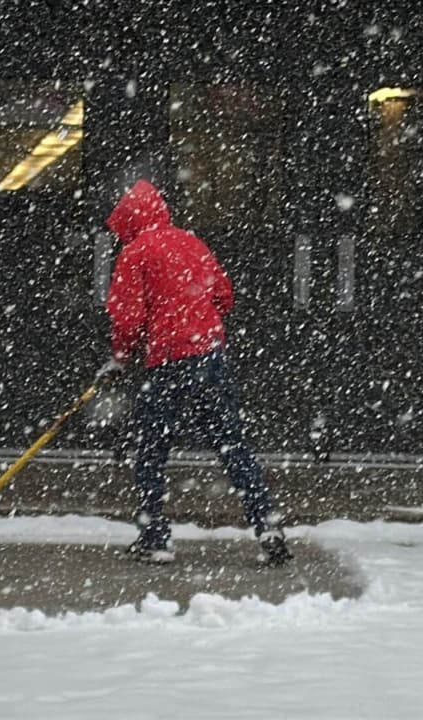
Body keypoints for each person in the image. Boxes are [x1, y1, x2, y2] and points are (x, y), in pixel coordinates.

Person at [97, 178, 292, 567]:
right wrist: (196, 320)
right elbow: (224, 294)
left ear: (128, 222)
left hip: (168, 360)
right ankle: (266, 524)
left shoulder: (135, 253)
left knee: (152, 451)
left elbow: (127, 316)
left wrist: (121, 356)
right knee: (233, 446)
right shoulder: (192, 243)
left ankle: (155, 538)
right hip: (210, 357)